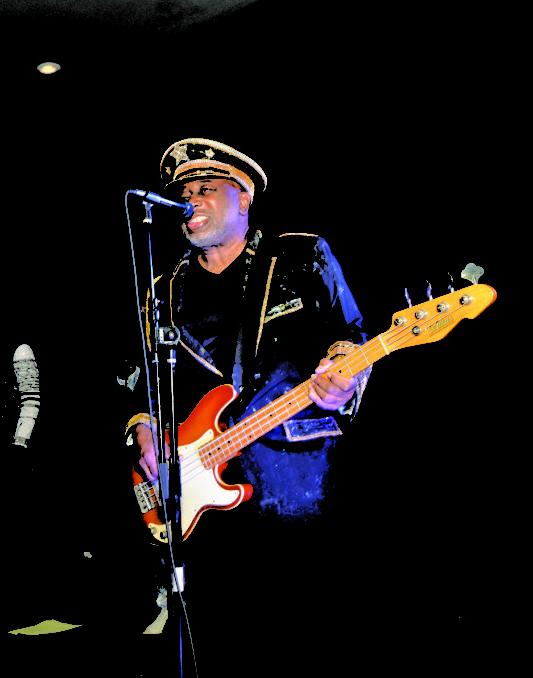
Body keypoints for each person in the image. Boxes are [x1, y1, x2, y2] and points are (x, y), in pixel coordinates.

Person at [124, 139, 373, 670]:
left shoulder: (301, 256)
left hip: (297, 484)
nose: (191, 200)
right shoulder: (164, 290)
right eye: (184, 192)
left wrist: (344, 380)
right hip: (204, 498)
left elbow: (350, 335)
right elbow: (143, 378)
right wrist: (144, 428)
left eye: (205, 189)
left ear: (244, 199)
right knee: (219, 644)